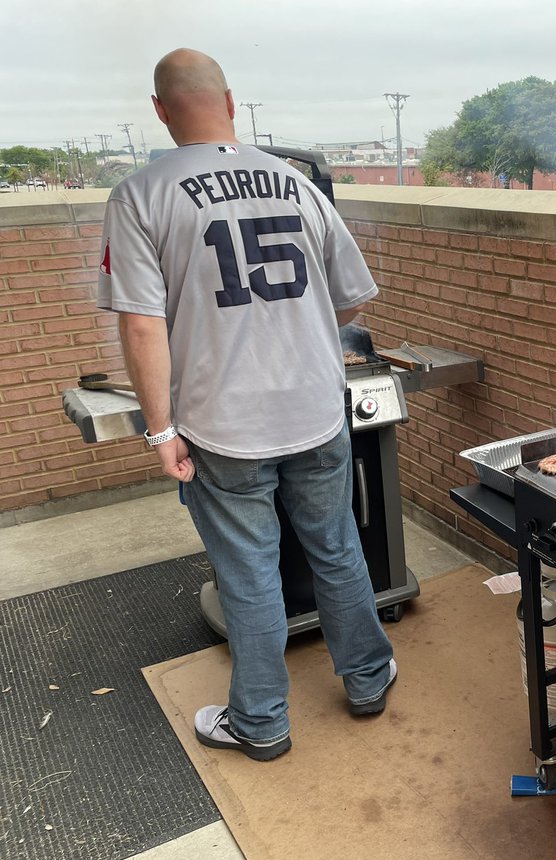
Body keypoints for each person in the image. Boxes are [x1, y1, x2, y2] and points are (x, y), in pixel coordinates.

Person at [97, 48, 395, 761]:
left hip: (223, 427)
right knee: (336, 548)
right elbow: (350, 296)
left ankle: (261, 724)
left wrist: (160, 429)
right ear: (230, 103)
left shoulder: (140, 195)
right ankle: (367, 680)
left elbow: (141, 324)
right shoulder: (295, 183)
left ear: (161, 111)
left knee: (250, 573)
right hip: (317, 410)